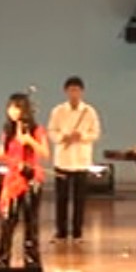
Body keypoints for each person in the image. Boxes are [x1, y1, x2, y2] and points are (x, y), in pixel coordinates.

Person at [0, 93, 49, 268]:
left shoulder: (36, 130)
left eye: (16, 107)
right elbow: (4, 155)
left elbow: (45, 153)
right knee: (8, 220)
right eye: (10, 107)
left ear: (24, 109)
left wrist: (29, 140)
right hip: (13, 179)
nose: (12, 111)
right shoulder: (7, 131)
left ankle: (31, 261)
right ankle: (2, 259)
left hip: (30, 178)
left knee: (31, 221)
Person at [47, 76, 101, 243]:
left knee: (80, 199)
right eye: (71, 90)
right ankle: (61, 232)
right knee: (61, 198)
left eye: (77, 90)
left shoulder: (89, 111)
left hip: (81, 161)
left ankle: (78, 233)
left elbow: (95, 133)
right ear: (66, 92)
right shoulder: (58, 111)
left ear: (82, 92)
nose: (74, 93)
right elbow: (51, 131)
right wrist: (63, 137)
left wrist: (81, 136)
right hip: (63, 160)